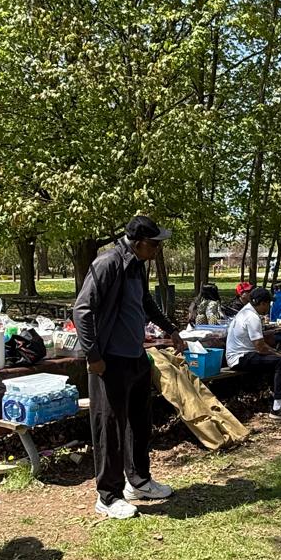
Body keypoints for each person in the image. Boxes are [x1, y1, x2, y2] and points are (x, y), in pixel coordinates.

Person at [72, 215, 183, 520]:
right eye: (155, 244)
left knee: (139, 422)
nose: (158, 250)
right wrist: (93, 355)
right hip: (110, 361)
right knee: (110, 427)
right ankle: (107, 496)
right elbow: (82, 310)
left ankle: (139, 481)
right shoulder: (108, 263)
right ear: (138, 242)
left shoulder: (137, 265)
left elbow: (145, 302)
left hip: (136, 357)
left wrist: (170, 329)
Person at [224, 285, 281, 419]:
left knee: (275, 361)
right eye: (268, 304)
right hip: (241, 357)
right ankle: (277, 409)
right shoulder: (252, 317)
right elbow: (260, 347)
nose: (269, 308)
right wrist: (280, 354)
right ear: (262, 303)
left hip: (243, 354)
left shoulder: (245, 311)